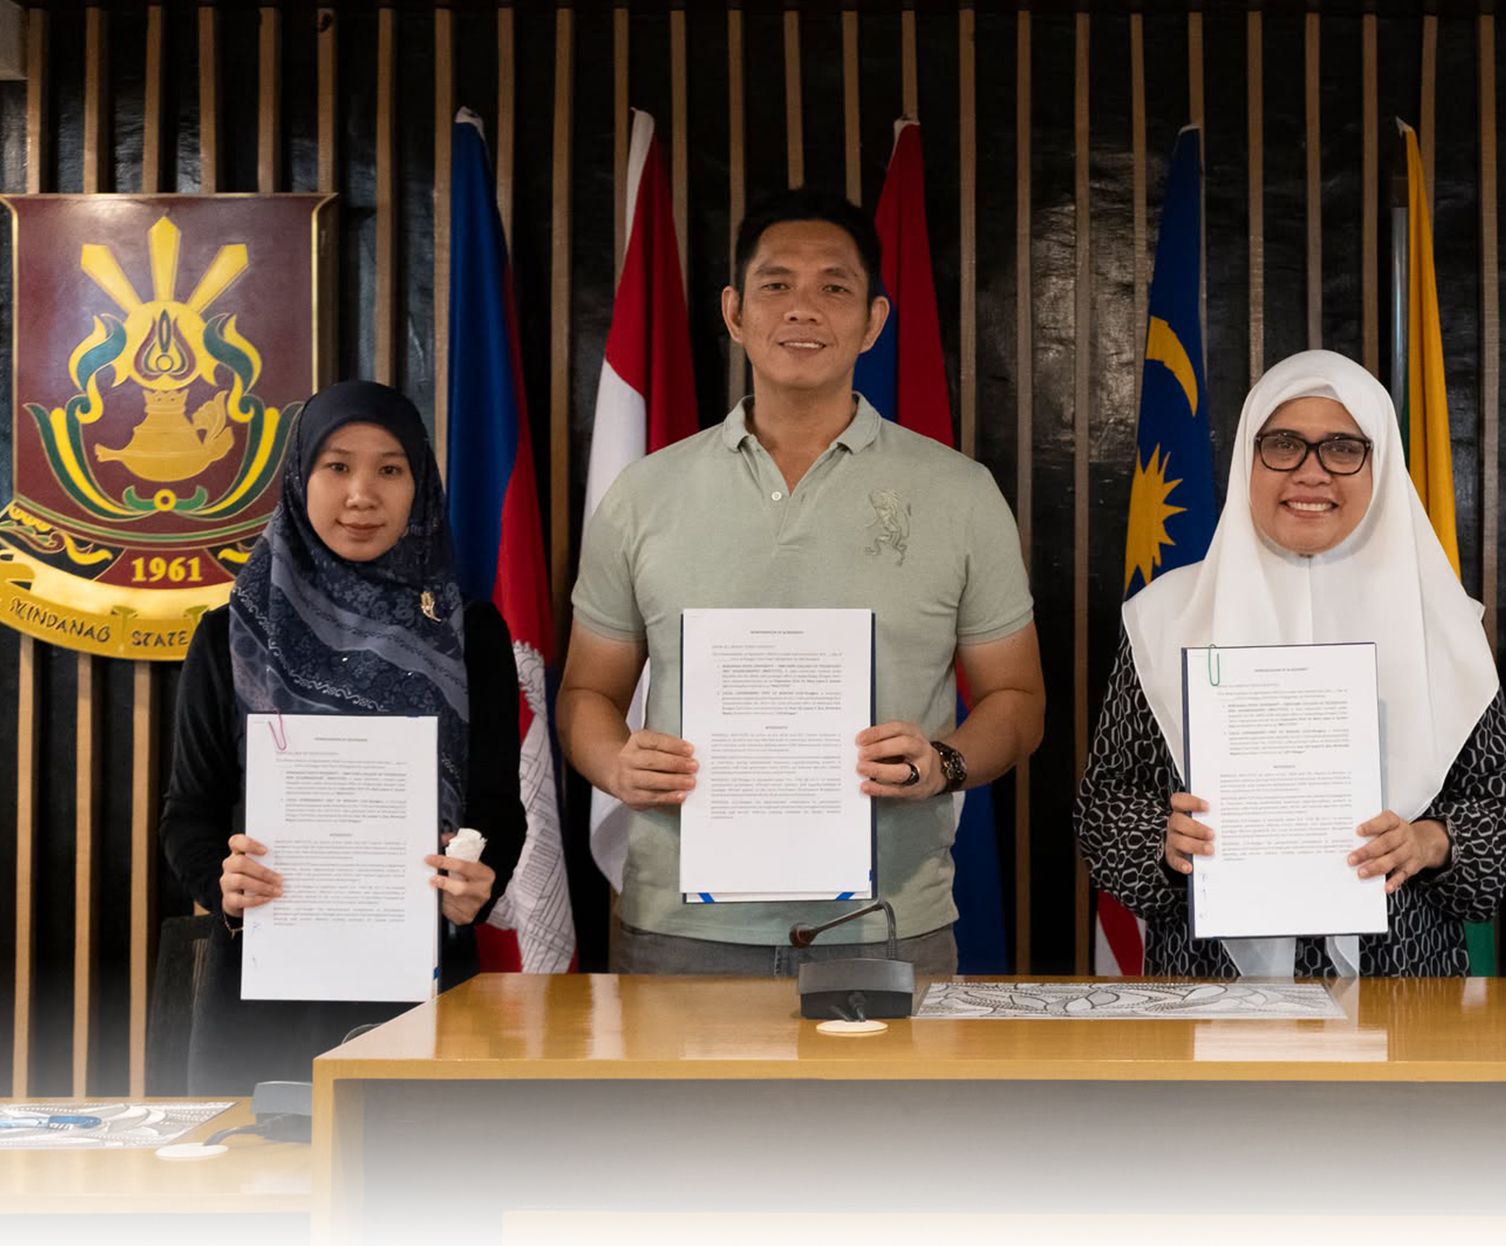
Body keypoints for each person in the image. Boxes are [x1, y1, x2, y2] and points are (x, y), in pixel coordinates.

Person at [559, 187, 1043, 977]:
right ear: (734, 311)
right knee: (680, 1111)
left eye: (834, 287)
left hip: (887, 924)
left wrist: (943, 764)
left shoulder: (959, 492)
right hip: (680, 930)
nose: (803, 309)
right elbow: (586, 695)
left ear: (874, 320)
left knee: (890, 1111)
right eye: (776, 285)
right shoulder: (645, 495)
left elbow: (1019, 703)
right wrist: (615, 763)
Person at [1075, 350, 1506, 977]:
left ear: (1382, 466)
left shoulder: (1445, 626)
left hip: (1402, 983)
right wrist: (1163, 841)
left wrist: (1431, 842)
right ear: (1246, 460)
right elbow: (1105, 808)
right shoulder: (1163, 618)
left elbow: (1501, 817)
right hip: (1209, 984)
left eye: (1343, 448)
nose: (1311, 473)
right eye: (1284, 444)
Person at [161, 381, 525, 1093]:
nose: (362, 494)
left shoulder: (469, 635)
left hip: (426, 978)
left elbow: (498, 807)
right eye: (337, 466)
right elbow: (188, 811)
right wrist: (222, 883)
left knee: (425, 1194)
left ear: (419, 486)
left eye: (390, 469)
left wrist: (481, 878)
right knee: (253, 1195)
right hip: (263, 992)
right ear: (300, 479)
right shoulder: (230, 634)